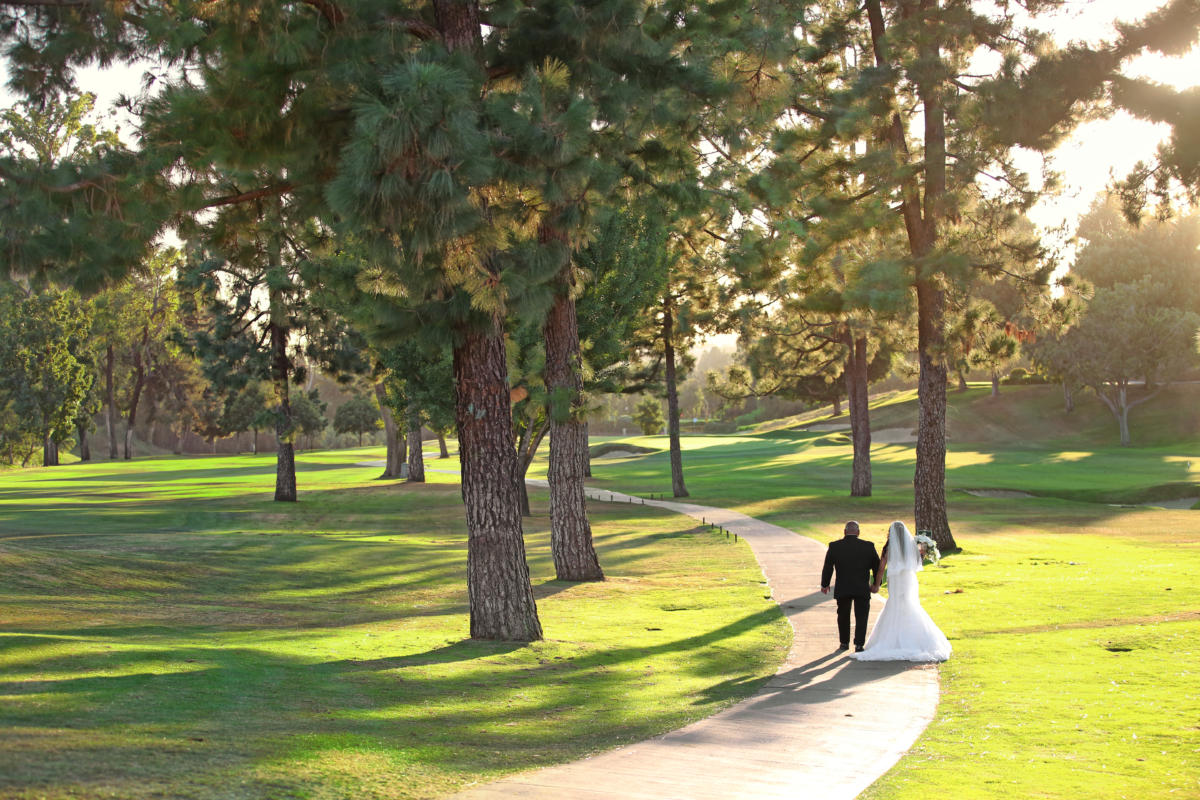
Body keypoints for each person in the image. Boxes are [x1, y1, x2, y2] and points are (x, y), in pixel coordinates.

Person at [851, 521, 951, 662]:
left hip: (896, 581)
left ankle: (894, 641)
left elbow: (881, 568)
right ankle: (916, 639)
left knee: (895, 604)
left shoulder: (888, 549)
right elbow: (918, 562)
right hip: (908, 580)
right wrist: (923, 549)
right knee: (910, 605)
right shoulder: (912, 546)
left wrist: (876, 585)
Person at [820, 520, 880, 652]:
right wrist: (876, 583)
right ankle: (859, 644)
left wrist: (825, 584)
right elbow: (877, 566)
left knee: (843, 615)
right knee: (862, 616)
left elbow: (828, 567)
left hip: (843, 587)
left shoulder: (835, 546)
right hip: (862, 588)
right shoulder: (868, 546)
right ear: (858, 532)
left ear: (845, 532)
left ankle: (844, 643)